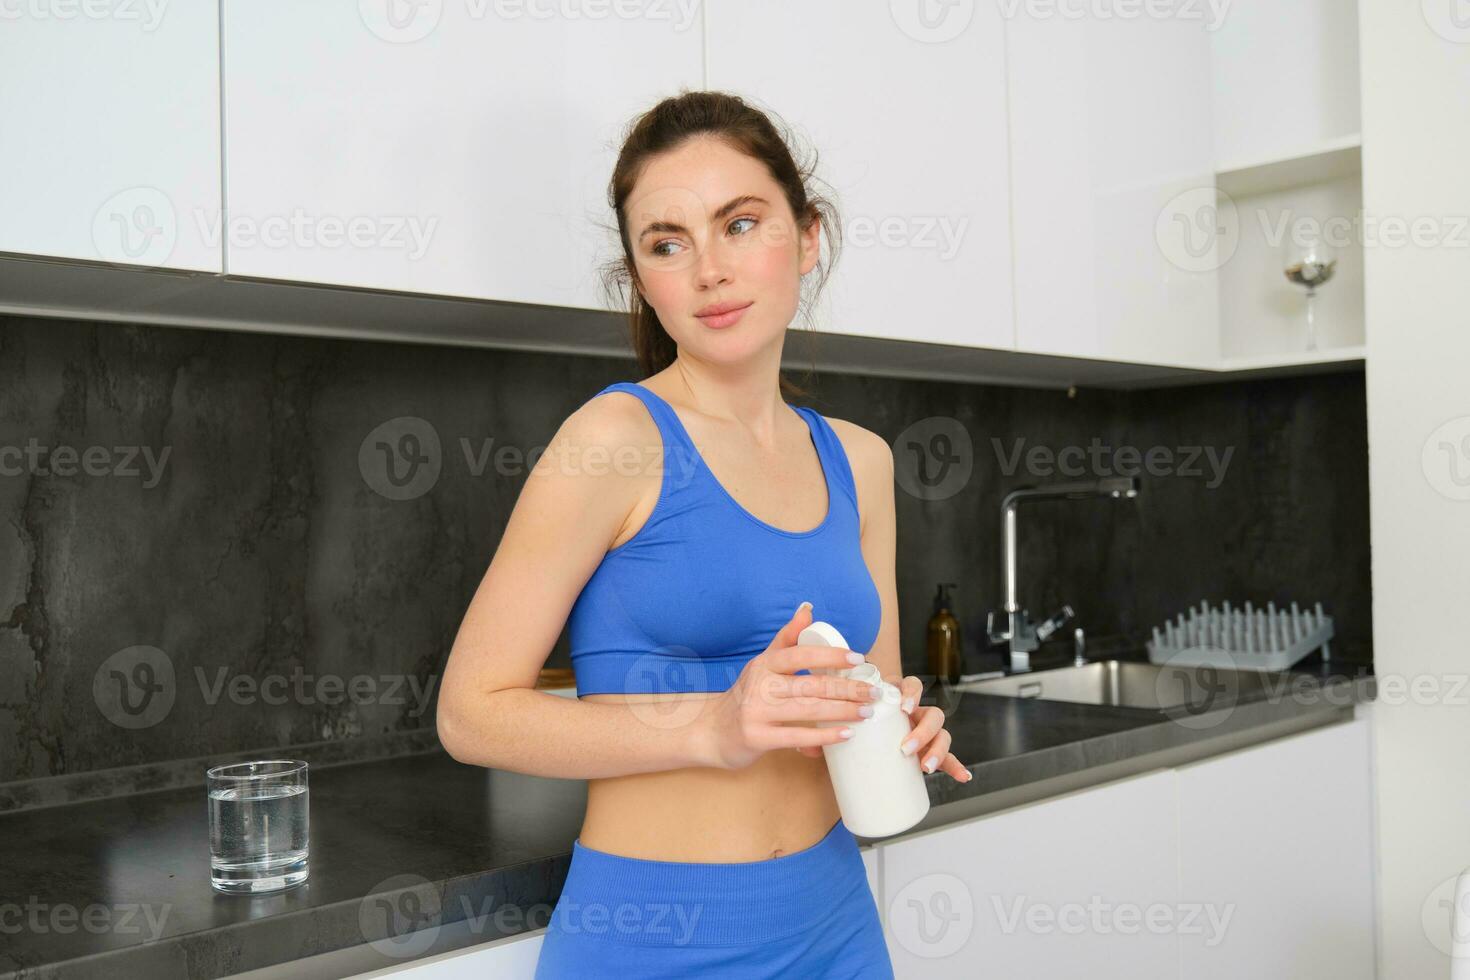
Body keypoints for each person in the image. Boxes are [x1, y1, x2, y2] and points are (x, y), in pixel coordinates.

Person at [437, 90, 971, 979]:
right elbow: (470, 714)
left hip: (838, 926)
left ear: (807, 237)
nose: (709, 270)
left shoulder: (862, 461)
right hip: (650, 940)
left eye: (741, 223)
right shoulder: (612, 442)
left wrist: (902, 721)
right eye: (667, 242)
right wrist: (713, 726)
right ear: (640, 277)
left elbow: (858, 687)